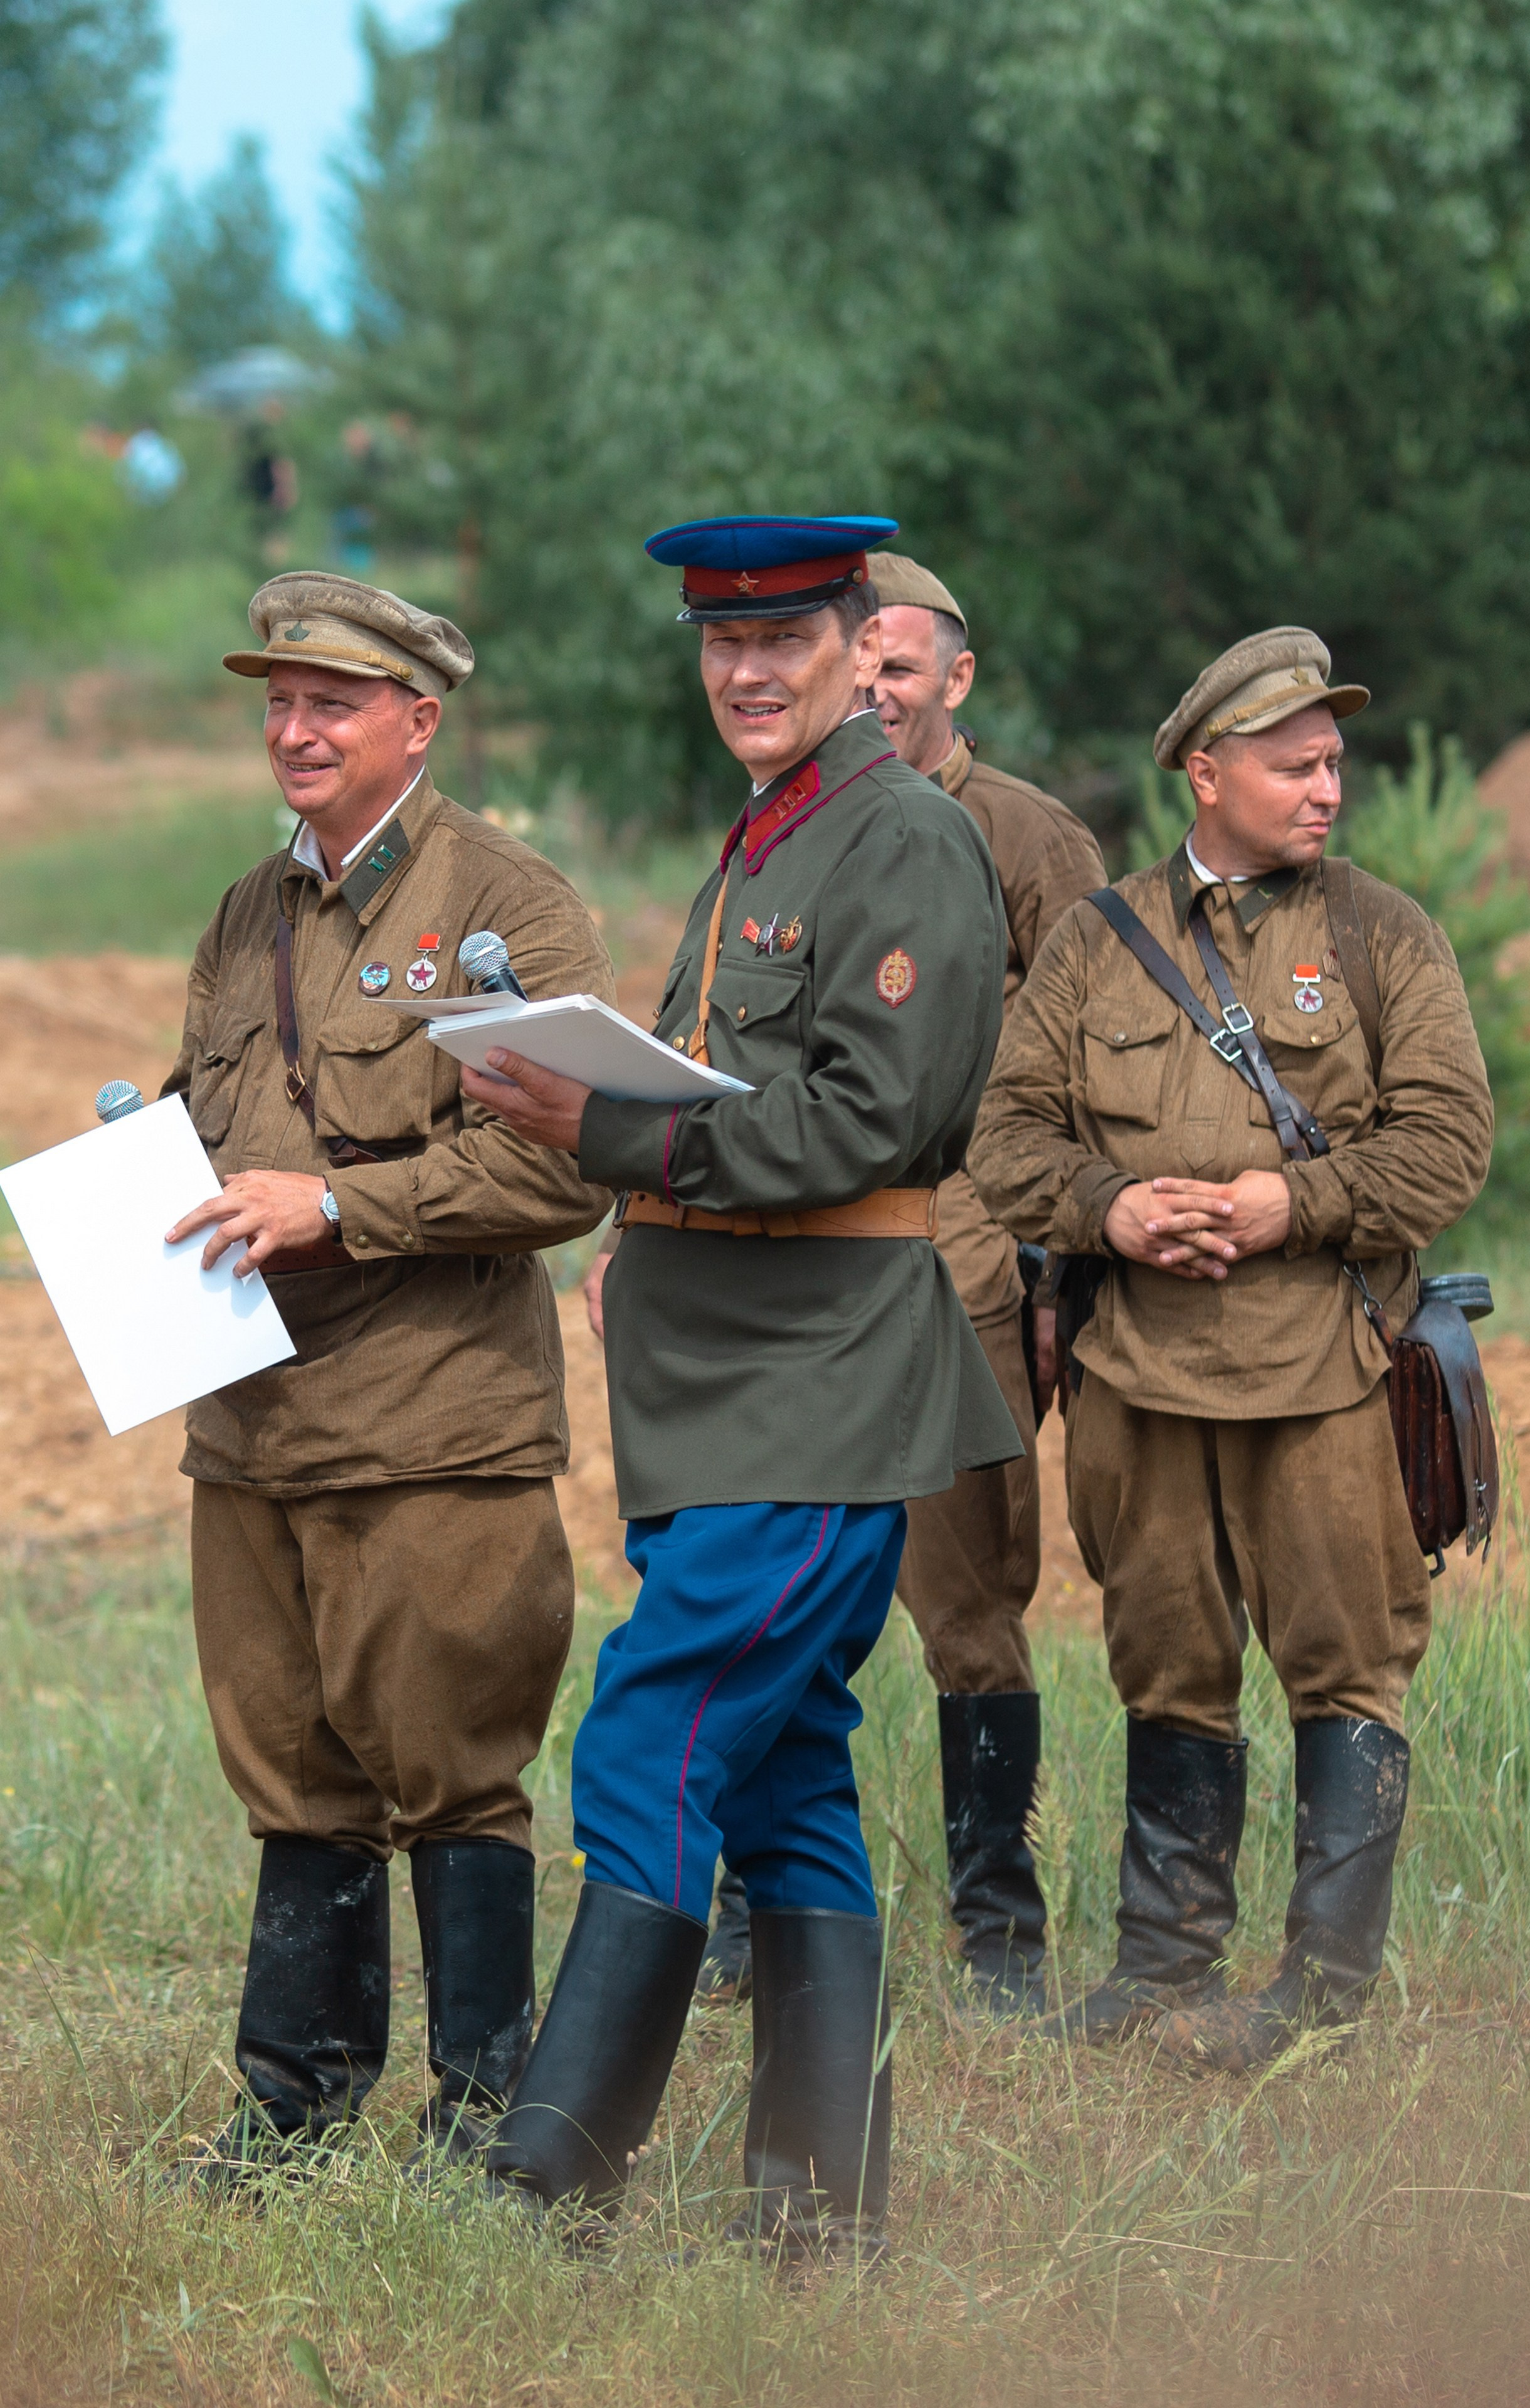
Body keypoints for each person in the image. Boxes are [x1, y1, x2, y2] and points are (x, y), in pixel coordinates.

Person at [461, 515, 1021, 2260]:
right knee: (785, 1781)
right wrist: (641, 1187)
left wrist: (612, 1134)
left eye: (785, 640)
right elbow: (743, 1092)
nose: (749, 671)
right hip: (728, 1373)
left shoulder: (905, 836)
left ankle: (555, 2176)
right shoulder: (775, 836)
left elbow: (867, 1121)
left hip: (819, 1378)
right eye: (722, 644)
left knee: (659, 1720)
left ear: (866, 649)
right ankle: (819, 2212)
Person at [968, 627, 1493, 2072]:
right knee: (1167, 1667)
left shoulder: (1382, 934)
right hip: (1136, 1376)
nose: (1326, 788)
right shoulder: (1096, 937)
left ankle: (1321, 1994)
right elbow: (1004, 1134)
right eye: (1291, 764)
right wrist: (1111, 1208)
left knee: (1344, 1670)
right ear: (1204, 771)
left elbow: (1449, 1137)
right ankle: (1159, 1968)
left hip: (1319, 1370)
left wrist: (1288, 1204)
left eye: (1334, 763)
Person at [161, 573, 614, 2184]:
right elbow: (203, 1133)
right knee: (290, 1766)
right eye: (277, 700)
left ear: (417, 721)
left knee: (450, 1773)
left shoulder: (511, 908)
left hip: (431, 1424)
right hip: (255, 1425)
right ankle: (293, 2101)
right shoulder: (243, 916)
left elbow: (564, 1175)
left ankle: (483, 2113)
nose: (293, 728)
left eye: (331, 702)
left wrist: (339, 1206)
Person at [690, 552, 1105, 2017]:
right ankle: (751, 1912)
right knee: (765, 1595)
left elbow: (1092, 1063)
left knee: (967, 1602)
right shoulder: (779, 826)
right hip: (788, 1272)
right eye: (860, 666)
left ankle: (998, 1934)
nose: (875, 691)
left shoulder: (1023, 840)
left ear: (952, 678)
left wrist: (1060, 1269)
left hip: (965, 1266)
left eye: (899, 668)